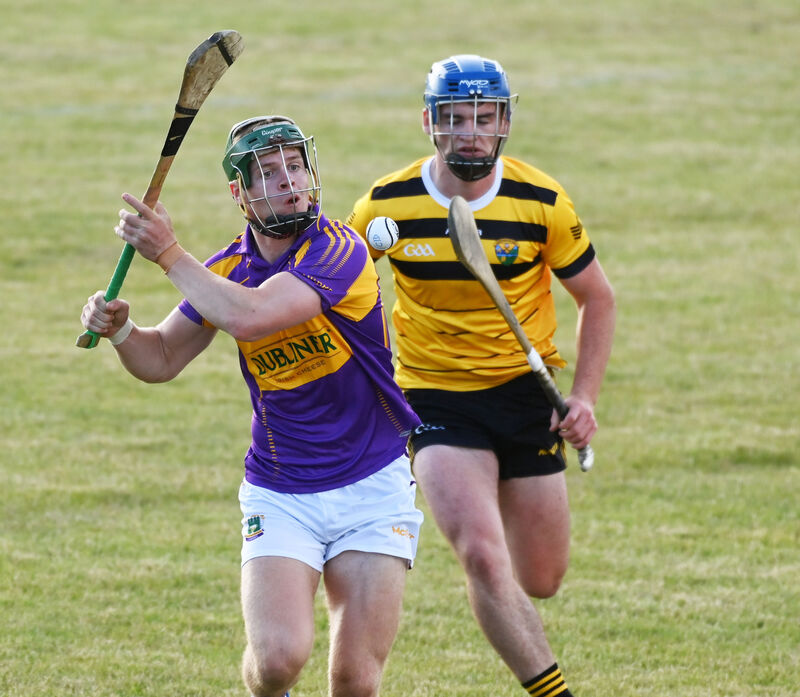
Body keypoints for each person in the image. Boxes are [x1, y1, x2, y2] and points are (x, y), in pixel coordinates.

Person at [81, 115, 423, 697]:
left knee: (355, 679)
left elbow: (253, 315)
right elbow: (161, 358)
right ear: (239, 194)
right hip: (281, 488)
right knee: (276, 663)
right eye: (267, 173)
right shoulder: (228, 270)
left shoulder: (340, 251)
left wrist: (168, 254)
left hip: (372, 483)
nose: (288, 182)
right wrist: (121, 332)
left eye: (295, 166)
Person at [346, 56, 616, 696]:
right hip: (435, 398)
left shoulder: (542, 201)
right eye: (456, 118)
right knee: (481, 554)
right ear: (429, 123)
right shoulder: (387, 205)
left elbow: (597, 298)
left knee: (542, 577)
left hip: (527, 396)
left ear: (504, 123)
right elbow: (334, 288)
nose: (471, 132)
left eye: (485, 118)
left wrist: (582, 395)